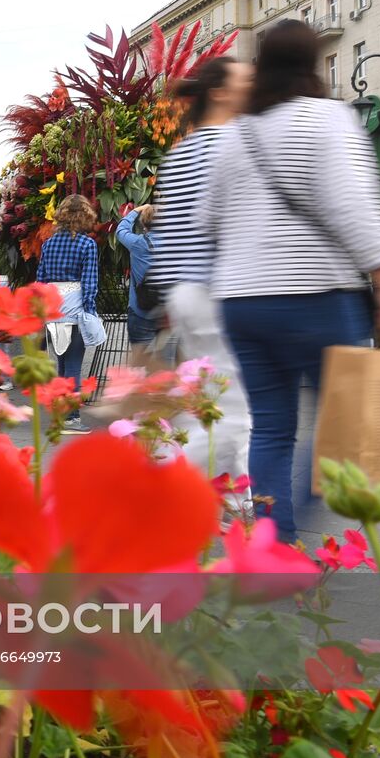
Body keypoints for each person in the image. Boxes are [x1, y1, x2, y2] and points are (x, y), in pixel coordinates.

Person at [202, 19, 380, 544]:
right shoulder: (328, 119)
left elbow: (210, 222)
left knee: (271, 427)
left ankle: (275, 544)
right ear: (313, 63)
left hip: (243, 302)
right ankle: (302, 527)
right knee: (346, 423)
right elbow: (355, 205)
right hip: (316, 295)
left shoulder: (234, 135)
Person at [149, 56, 254, 494]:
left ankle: (229, 501)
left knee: (210, 404)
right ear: (221, 92)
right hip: (220, 291)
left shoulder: (181, 151)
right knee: (239, 413)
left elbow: (166, 234)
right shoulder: (233, 145)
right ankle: (160, 490)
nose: (254, 86)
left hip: (186, 292)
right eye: (246, 81)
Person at [35, 194, 101, 433]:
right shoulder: (87, 245)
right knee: (73, 363)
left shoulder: (48, 244)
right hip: (75, 308)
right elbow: (90, 283)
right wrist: (90, 312)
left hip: (52, 309)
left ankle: (60, 414)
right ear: (85, 216)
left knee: (62, 363)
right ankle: (71, 418)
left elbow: (40, 280)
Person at [115, 204, 159, 352]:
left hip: (140, 311)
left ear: (144, 223)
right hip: (168, 314)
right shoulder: (176, 245)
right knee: (167, 368)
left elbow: (121, 230)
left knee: (139, 364)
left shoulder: (138, 243)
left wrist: (135, 211)